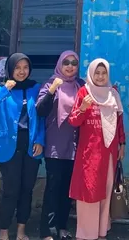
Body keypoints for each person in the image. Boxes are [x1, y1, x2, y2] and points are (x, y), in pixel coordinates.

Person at [0, 53, 45, 240]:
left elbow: (42, 117)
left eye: (25, 67)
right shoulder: (0, 88)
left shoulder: (35, 88)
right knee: (10, 190)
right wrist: (4, 90)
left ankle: (21, 231)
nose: (21, 71)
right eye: (17, 68)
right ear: (10, 69)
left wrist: (40, 140)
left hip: (31, 145)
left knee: (27, 190)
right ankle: (3, 231)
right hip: (9, 146)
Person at [68, 59, 125, 240]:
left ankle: (101, 232)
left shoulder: (113, 93)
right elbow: (73, 121)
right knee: (89, 190)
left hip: (109, 151)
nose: (100, 77)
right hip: (89, 152)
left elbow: (119, 122)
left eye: (104, 73)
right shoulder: (84, 92)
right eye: (97, 73)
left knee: (106, 191)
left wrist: (122, 144)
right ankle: (86, 234)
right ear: (91, 74)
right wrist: (83, 108)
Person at [36, 50, 85, 240]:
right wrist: (51, 91)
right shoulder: (51, 83)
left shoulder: (81, 85)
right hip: (55, 145)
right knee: (53, 188)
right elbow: (40, 110)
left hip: (74, 145)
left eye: (74, 63)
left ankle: (62, 226)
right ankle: (47, 230)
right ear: (59, 64)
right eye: (66, 62)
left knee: (67, 189)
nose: (70, 66)